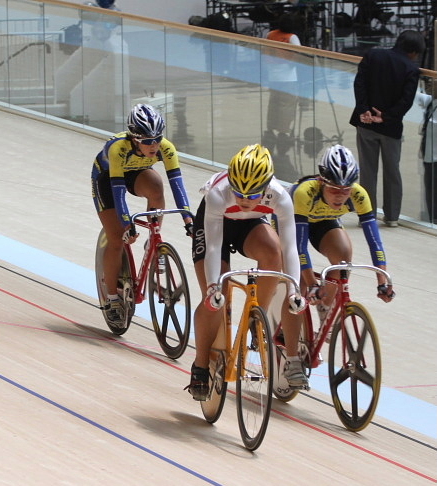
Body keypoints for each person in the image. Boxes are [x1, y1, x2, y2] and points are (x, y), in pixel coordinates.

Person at [186, 144, 306, 401]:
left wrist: (295, 289)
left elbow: (290, 247)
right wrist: (212, 287)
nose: (243, 200)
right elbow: (214, 246)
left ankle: (255, 317)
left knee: (274, 252)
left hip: (249, 225)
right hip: (215, 228)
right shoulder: (218, 194)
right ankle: (200, 364)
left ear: (265, 187)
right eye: (239, 192)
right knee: (219, 297)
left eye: (252, 195)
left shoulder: (280, 196)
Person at [91, 104, 194, 328]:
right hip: (108, 180)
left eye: (157, 139)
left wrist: (188, 219)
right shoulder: (118, 148)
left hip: (136, 172)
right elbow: (118, 192)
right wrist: (127, 224)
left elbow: (177, 185)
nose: (154, 145)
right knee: (117, 238)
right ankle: (112, 299)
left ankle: (153, 239)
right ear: (134, 139)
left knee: (157, 187)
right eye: (147, 141)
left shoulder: (166, 148)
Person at [289, 145, 395, 333]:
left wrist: (382, 280)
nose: (340, 196)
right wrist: (312, 284)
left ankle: (325, 308)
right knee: (300, 277)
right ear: (322, 182)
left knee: (343, 259)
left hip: (324, 222)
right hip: (290, 223)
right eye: (334, 189)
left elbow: (375, 242)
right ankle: (289, 330)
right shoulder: (305, 192)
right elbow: (299, 247)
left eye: (345, 190)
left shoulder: (359, 195)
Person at [349, 30, 425, 227]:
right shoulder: (411, 69)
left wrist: (364, 110)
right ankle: (391, 217)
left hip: (365, 123)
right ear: (414, 52)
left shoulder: (373, 54)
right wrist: (385, 116)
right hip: (390, 127)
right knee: (392, 171)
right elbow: (406, 101)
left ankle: (367, 215)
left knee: (368, 171)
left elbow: (360, 84)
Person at [263, 12, 301, 169]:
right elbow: (299, 54)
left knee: (274, 102)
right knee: (287, 104)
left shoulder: (271, 34)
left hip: (273, 74)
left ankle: (270, 128)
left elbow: (265, 51)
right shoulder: (292, 37)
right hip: (289, 77)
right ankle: (284, 131)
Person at [416, 82, 437, 223]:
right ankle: (433, 219)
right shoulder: (431, 102)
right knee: (431, 191)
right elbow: (416, 95)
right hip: (429, 158)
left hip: (432, 158)